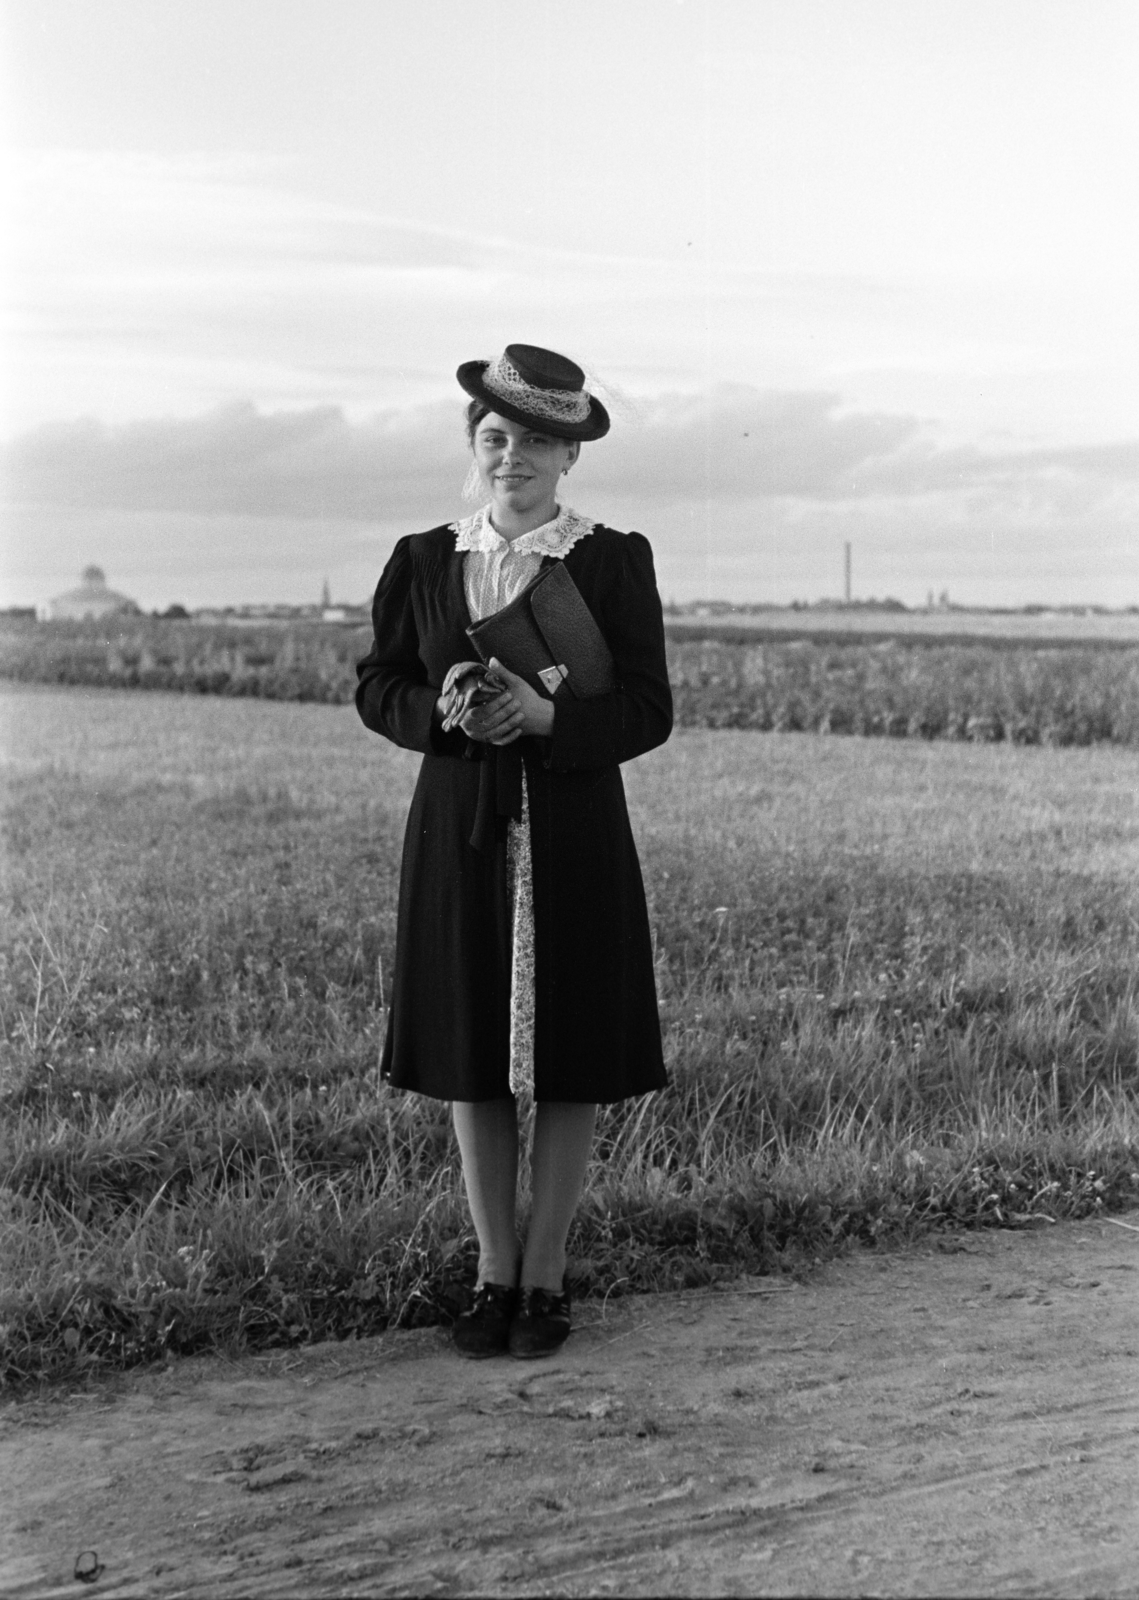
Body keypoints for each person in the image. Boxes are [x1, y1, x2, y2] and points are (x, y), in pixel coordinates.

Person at [356, 343, 672, 1359]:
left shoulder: (610, 559)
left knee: (568, 1053)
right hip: (461, 829)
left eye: (536, 441)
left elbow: (646, 709)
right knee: (473, 1057)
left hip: (572, 831)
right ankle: (492, 1271)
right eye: (495, 438)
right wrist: (442, 713)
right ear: (474, 447)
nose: (512, 457)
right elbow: (380, 685)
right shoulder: (421, 559)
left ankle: (545, 1277)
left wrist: (543, 718)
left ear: (567, 458)